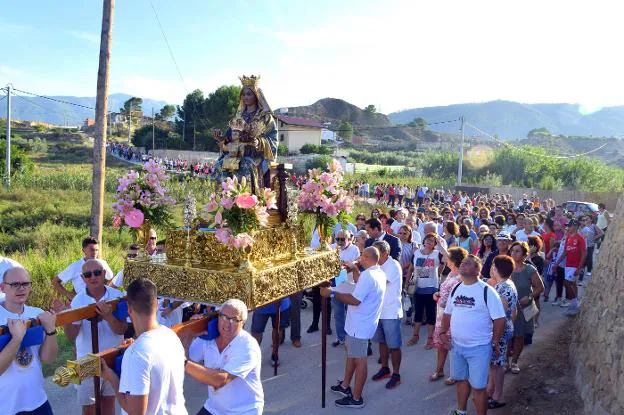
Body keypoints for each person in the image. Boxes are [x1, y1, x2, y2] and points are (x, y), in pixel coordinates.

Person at [101, 277, 187, 414]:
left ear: (129, 309)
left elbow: (136, 412)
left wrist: (111, 378)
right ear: (157, 304)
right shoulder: (171, 336)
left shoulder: (137, 353)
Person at [440, 255, 506, 415]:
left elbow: (500, 319)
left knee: (478, 387)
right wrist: (442, 332)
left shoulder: (486, 291)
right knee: (461, 380)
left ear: (478, 269)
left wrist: (495, 340)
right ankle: (460, 411)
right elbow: (447, 313)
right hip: (457, 346)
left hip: (479, 348)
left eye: (468, 263)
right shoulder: (456, 288)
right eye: (462, 262)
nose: (463, 264)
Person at [322, 247, 386, 409]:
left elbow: (355, 300)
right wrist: (355, 269)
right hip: (361, 323)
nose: (359, 258)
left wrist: (332, 293)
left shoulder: (369, 276)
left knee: (360, 360)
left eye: (361, 257)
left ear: (366, 257)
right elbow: (361, 283)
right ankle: (345, 386)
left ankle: (356, 398)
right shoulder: (377, 272)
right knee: (352, 355)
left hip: (360, 325)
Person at [62, 259, 127, 415]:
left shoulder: (118, 296)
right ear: (83, 278)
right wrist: (65, 318)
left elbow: (122, 330)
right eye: (87, 274)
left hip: (112, 357)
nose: (93, 277)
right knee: (88, 409)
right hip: (86, 360)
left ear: (104, 273)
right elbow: (72, 336)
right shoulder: (77, 300)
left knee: (109, 405)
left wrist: (109, 316)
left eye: (97, 272)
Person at [182, 299, 263, 415]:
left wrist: (184, 363)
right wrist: (190, 331)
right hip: (214, 408)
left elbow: (220, 380)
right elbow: (188, 356)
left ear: (243, 322)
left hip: (243, 411)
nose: (227, 324)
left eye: (234, 320)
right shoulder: (207, 338)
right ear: (218, 317)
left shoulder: (248, 347)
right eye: (224, 317)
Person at [0, 267, 58, 415]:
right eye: (15, 284)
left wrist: (51, 330)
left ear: (30, 287)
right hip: (7, 407)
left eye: (25, 284)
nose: (21, 288)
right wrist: (17, 339)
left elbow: (48, 359)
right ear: (3, 287)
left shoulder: (37, 313)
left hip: (38, 401)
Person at [210, 75, 277, 194]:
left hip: (254, 156)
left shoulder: (265, 117)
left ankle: (247, 204)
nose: (245, 97)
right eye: (243, 94)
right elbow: (230, 137)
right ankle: (223, 202)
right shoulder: (238, 117)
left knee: (245, 166)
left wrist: (259, 142)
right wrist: (221, 138)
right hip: (235, 153)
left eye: (249, 94)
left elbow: (273, 139)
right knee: (219, 166)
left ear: (256, 96)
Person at [430, 247, 467, 386]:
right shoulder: (451, 274)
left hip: (453, 315)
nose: (444, 259)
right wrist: (438, 294)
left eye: (447, 257)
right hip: (441, 313)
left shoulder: (461, 277)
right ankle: (439, 370)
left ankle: (455, 374)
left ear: (454, 260)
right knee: (441, 343)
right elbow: (444, 290)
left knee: (451, 344)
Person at [370, 241, 403, 389]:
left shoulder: (393, 265)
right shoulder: (377, 265)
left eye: (377, 254)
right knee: (382, 342)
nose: (375, 256)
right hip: (379, 311)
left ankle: (396, 374)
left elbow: (379, 282)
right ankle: (385, 368)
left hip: (390, 312)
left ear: (385, 254)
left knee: (394, 345)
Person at [486, 255, 518, 410]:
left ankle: (498, 396)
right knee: (494, 364)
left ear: (496, 269)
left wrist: (496, 339)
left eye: (493, 266)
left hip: (500, 331)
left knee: (497, 365)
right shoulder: (508, 283)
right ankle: (492, 392)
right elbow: (514, 312)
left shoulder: (502, 288)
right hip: (506, 329)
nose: (491, 269)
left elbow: (500, 314)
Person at [407, 233, 447, 349]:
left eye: (433, 241)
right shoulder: (416, 253)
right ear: (424, 241)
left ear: (435, 244)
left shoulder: (437, 254)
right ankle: (415, 336)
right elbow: (411, 269)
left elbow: (446, 260)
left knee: (431, 314)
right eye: (428, 239)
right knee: (418, 313)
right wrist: (406, 284)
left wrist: (440, 245)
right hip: (418, 288)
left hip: (432, 289)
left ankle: (430, 339)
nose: (429, 242)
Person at [509, 242, 544, 374]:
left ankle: (514, 362)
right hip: (508, 308)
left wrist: (529, 297)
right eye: (512, 251)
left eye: (517, 251)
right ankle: (505, 362)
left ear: (524, 255)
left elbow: (540, 288)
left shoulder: (530, 269)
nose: (513, 253)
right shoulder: (506, 268)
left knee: (519, 336)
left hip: (524, 308)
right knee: (508, 336)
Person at [52, 236, 114, 302]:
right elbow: (55, 281)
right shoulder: (75, 266)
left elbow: (111, 278)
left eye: (97, 250)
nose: (95, 253)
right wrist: (70, 295)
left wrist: (107, 293)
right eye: (92, 250)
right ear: (83, 250)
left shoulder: (103, 263)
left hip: (102, 302)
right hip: (82, 304)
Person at [332, 230, 360, 347]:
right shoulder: (332, 247)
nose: (339, 242)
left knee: (350, 313)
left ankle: (352, 337)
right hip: (336, 284)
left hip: (350, 284)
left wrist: (347, 264)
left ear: (350, 239)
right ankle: (341, 337)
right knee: (338, 313)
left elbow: (357, 263)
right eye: (337, 239)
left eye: (342, 239)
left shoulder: (354, 249)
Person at [553, 219, 586, 316]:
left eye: (569, 226)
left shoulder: (580, 238)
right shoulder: (568, 238)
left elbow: (584, 254)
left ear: (575, 226)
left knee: (567, 283)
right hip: (568, 265)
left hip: (575, 265)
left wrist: (579, 267)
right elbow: (565, 253)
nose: (567, 228)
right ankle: (575, 303)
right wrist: (557, 263)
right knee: (572, 284)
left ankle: (574, 305)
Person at [579, 215, 603, 282]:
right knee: (583, 260)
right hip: (583, 246)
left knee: (589, 259)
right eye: (585, 218)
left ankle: (588, 271)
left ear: (591, 220)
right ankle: (581, 276)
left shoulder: (593, 226)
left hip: (590, 245)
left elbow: (601, 233)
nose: (585, 219)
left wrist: (594, 238)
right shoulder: (583, 226)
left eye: (587, 218)